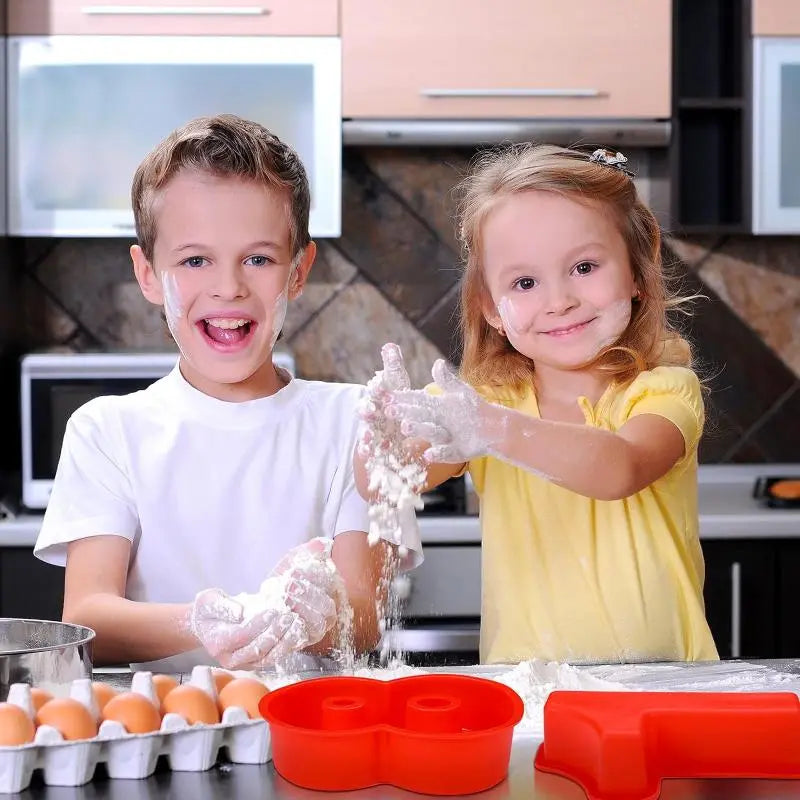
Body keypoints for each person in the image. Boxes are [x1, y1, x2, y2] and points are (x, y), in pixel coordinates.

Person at [34, 114, 420, 672]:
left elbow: (363, 616)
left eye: (258, 258)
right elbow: (90, 619)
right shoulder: (107, 431)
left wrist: (310, 617)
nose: (228, 286)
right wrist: (211, 620)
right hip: (163, 740)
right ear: (147, 274)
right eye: (195, 260)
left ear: (298, 271)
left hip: (313, 734)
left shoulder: (358, 423)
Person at [360, 144, 718, 665]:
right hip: (532, 699)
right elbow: (379, 480)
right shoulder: (484, 403)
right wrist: (386, 439)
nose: (558, 300)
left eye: (585, 266)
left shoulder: (662, 390)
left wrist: (492, 430)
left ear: (638, 270)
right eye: (524, 282)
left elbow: (619, 467)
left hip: (662, 691)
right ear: (491, 309)